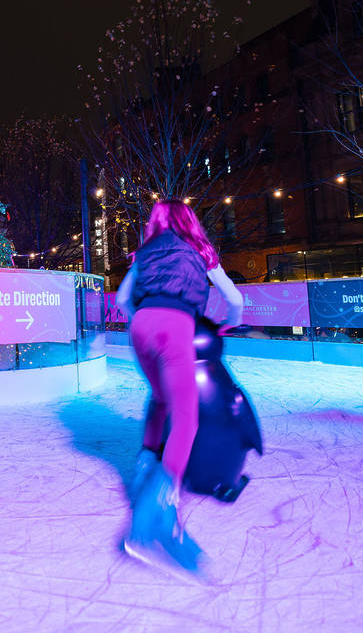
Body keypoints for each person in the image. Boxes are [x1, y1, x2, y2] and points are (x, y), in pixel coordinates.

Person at [115, 200, 243, 575]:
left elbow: (123, 299)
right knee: (186, 420)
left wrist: (143, 320)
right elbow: (233, 299)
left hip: (141, 326)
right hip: (175, 325)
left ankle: (144, 468)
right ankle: (154, 518)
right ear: (189, 220)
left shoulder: (145, 252)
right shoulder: (200, 250)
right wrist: (228, 323)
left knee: (160, 398)